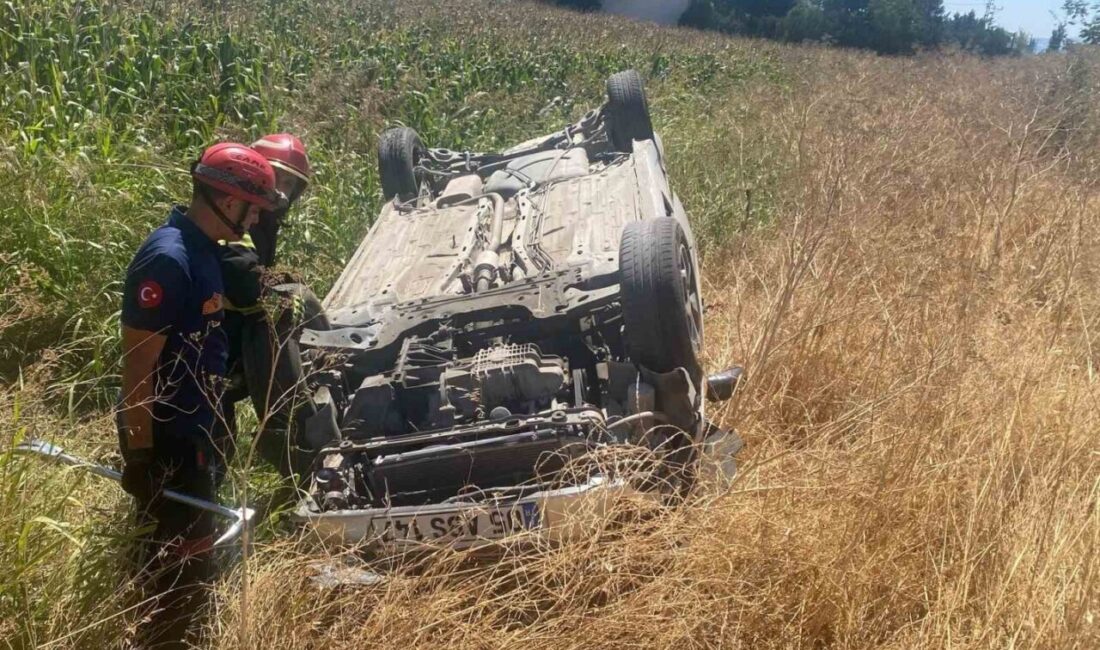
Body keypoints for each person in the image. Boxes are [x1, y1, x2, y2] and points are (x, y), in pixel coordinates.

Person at [117, 142, 281, 649]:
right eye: (252, 209)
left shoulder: (209, 250)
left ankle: (188, 627)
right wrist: (141, 455)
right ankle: (163, 635)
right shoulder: (169, 260)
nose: (255, 219)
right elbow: (138, 367)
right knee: (173, 563)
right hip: (170, 438)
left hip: (201, 428)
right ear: (227, 201)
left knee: (200, 547)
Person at [218, 133, 327, 485]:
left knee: (218, 446)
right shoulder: (234, 219)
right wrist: (291, 288)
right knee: (205, 453)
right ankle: (285, 437)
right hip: (208, 348)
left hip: (225, 344)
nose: (282, 191)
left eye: (291, 185)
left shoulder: (263, 221)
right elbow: (248, 283)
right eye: (277, 178)